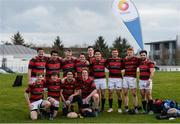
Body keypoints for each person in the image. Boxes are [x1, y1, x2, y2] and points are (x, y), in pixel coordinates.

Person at [122, 48, 140, 113]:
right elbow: (121, 66)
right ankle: (126, 108)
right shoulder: (124, 59)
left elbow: (143, 60)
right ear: (127, 53)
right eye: (128, 52)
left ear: (133, 53)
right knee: (125, 93)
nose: (129, 54)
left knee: (134, 93)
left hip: (133, 78)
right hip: (125, 78)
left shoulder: (136, 59)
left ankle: (136, 107)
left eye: (131, 52)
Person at [106, 49, 123, 113]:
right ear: (112, 53)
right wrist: (109, 68)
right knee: (110, 93)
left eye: (116, 52)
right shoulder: (109, 60)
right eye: (113, 52)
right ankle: (110, 108)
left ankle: (119, 108)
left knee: (119, 93)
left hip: (119, 79)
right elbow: (105, 64)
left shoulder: (121, 60)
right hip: (111, 78)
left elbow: (123, 66)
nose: (114, 53)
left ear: (117, 53)